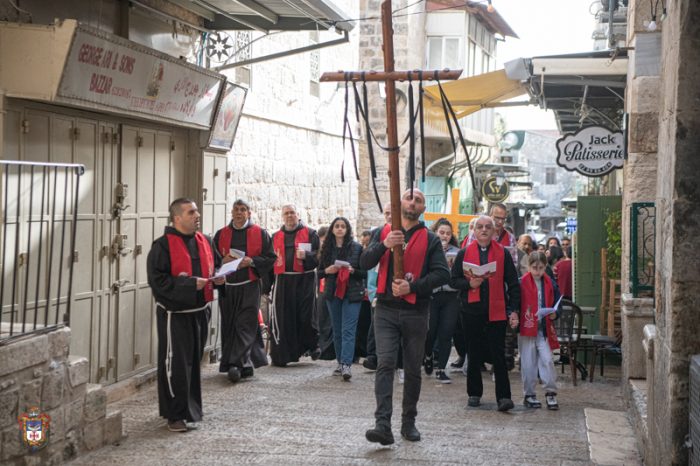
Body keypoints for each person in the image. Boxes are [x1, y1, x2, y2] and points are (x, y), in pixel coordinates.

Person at [361, 189, 450, 445]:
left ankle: (408, 421)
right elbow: (365, 262)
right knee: (385, 363)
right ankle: (382, 424)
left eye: (419, 200)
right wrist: (384, 244)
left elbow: (442, 275)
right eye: (409, 197)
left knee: (412, 368)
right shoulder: (383, 231)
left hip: (416, 311)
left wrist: (413, 287)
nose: (412, 202)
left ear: (423, 208)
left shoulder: (431, 239)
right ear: (400, 203)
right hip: (386, 309)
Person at [147, 198, 225, 432]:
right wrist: (190, 285)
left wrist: (220, 278)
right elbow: (158, 282)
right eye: (191, 212)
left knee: (192, 364)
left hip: (200, 312)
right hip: (176, 315)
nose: (197, 215)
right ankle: (175, 415)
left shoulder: (205, 241)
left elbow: (216, 267)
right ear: (177, 218)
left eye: (197, 211)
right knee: (176, 364)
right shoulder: (162, 246)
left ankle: (190, 409)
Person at [450, 215, 521, 412]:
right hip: (471, 311)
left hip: (496, 310)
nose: (483, 230)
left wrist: (513, 309)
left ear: (494, 231)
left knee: (499, 355)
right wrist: (469, 284)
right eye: (479, 227)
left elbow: (514, 284)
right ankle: (474, 393)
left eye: (487, 227)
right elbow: (453, 281)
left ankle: (504, 397)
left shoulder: (503, 254)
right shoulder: (464, 253)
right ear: (474, 231)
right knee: (474, 353)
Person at [213, 199, 276, 383]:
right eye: (236, 209)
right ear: (231, 213)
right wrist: (221, 262)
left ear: (249, 213)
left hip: (250, 285)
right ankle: (244, 365)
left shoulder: (260, 233)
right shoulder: (221, 234)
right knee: (231, 325)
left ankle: (235, 366)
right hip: (229, 287)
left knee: (245, 325)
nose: (239, 213)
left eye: (243, 210)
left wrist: (252, 261)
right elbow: (213, 259)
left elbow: (270, 258)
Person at [269, 205, 321, 367]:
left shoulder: (310, 234)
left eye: (292, 212)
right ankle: (282, 355)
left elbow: (319, 256)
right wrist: (266, 285)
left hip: (304, 280)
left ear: (298, 215)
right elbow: (270, 261)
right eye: (286, 213)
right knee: (284, 317)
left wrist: (307, 255)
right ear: (282, 217)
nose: (290, 216)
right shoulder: (275, 236)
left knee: (305, 316)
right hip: (283, 281)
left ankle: (311, 346)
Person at [317, 217, 366, 380]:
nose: (339, 229)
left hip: (352, 293)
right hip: (333, 293)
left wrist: (353, 271)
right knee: (337, 330)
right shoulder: (327, 249)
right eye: (337, 226)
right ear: (332, 229)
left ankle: (346, 364)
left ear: (347, 229)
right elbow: (319, 272)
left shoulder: (357, 248)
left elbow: (365, 272)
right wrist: (328, 270)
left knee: (348, 330)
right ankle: (340, 362)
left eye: (343, 226)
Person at [519, 251, 561, 410]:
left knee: (547, 360)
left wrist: (555, 313)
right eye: (534, 267)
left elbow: (558, 301)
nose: (537, 271)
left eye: (541, 268)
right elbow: (516, 301)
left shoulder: (550, 283)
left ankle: (550, 392)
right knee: (528, 363)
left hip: (543, 329)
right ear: (528, 267)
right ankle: (529, 394)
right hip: (526, 328)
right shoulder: (521, 282)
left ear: (545, 267)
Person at [424, 218, 461, 384]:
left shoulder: (457, 252)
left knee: (446, 332)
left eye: (448, 233)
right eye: (442, 233)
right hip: (432, 295)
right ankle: (428, 355)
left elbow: (461, 275)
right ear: (435, 233)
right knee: (430, 332)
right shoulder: (429, 249)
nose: (445, 236)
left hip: (450, 296)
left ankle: (441, 369)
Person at [362, 202, 392, 372]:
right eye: (386, 213)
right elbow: (369, 263)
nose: (389, 216)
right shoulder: (378, 233)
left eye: (391, 212)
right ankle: (373, 356)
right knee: (375, 325)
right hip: (378, 287)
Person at [315, 226, 336, 361]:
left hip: (331, 289)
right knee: (322, 320)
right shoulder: (317, 253)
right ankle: (322, 348)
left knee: (330, 321)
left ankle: (329, 350)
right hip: (320, 290)